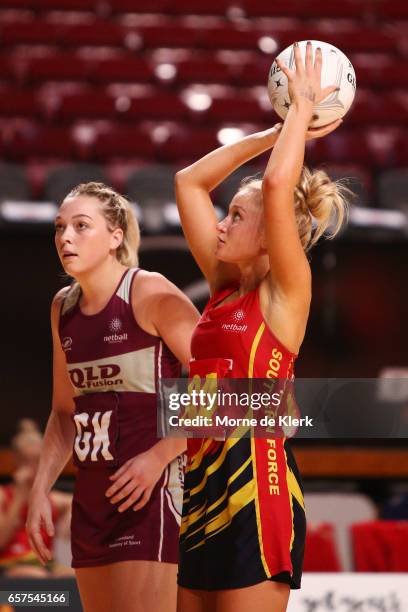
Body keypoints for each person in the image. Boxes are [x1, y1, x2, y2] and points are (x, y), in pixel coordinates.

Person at [175, 42, 351, 612]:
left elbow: (277, 189)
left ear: (271, 237)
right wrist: (274, 134)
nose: (222, 223)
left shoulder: (286, 292)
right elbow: (188, 184)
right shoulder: (225, 286)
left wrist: (300, 110)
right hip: (202, 489)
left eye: (237, 217)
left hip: (259, 492)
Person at [26, 182, 199, 612]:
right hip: (92, 497)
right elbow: (65, 413)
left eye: (81, 226)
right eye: (60, 227)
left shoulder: (149, 291)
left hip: (152, 492)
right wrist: (39, 491)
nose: (65, 237)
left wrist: (160, 455)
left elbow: (227, 388)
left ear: (116, 236)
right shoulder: (61, 308)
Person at [0, 419, 72, 577]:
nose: (33, 468)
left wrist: (67, 517)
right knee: (36, 575)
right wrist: (19, 497)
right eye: (27, 461)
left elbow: (77, 503)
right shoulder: (3, 495)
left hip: (46, 564)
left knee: (76, 575)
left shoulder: (53, 499)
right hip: (11, 564)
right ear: (16, 461)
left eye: (38, 460)